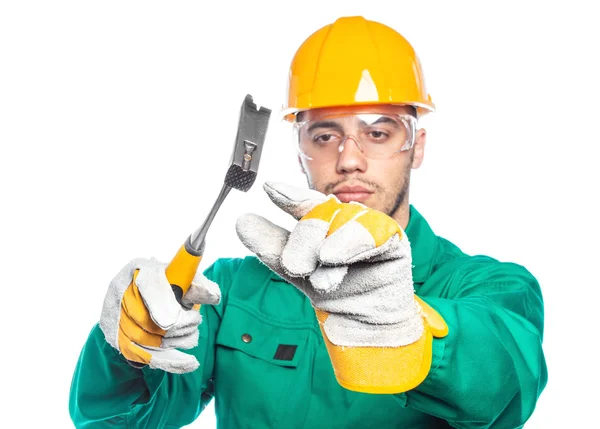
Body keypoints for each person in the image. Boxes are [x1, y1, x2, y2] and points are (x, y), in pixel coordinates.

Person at [69, 16, 547, 428]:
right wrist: (128, 345)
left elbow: (504, 389)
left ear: (416, 145)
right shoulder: (227, 293)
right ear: (301, 153)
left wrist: (414, 334)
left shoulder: (488, 285)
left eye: (378, 132)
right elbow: (115, 419)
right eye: (324, 136)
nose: (349, 160)